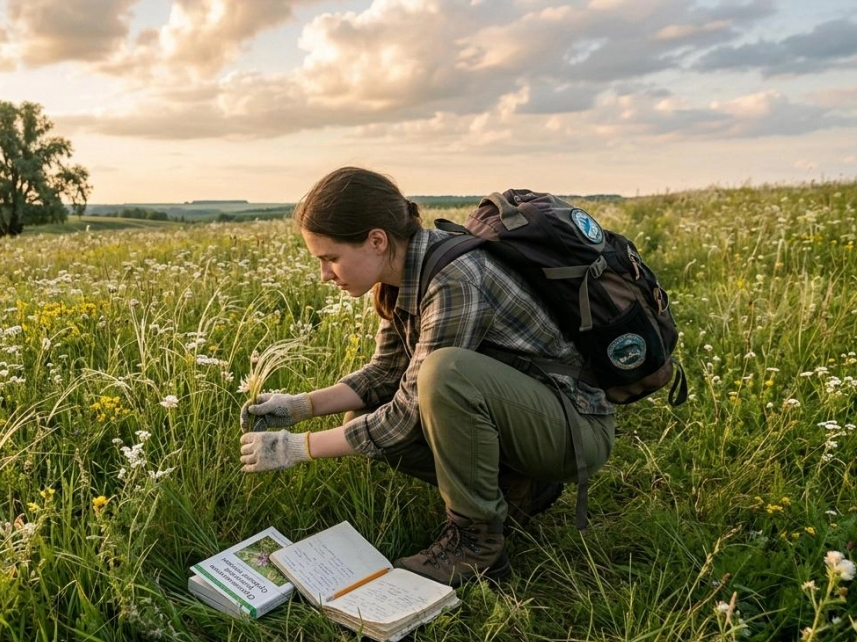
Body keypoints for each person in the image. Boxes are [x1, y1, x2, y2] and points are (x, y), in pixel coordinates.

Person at [238, 167, 616, 586]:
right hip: (529, 417)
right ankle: (518, 490)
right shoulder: (401, 276)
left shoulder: (455, 278)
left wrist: (296, 448)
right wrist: (300, 406)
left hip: (573, 432)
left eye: (331, 258)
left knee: (445, 374)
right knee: (364, 413)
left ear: (376, 240)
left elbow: (407, 413)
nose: (325, 275)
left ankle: (477, 545)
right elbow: (385, 374)